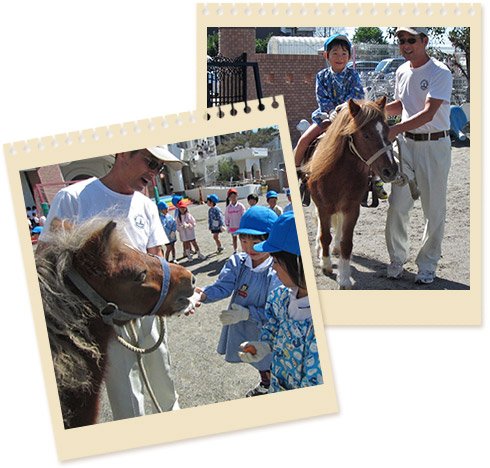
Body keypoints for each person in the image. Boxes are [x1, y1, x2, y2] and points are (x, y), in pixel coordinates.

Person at [38, 146, 185, 420]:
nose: (154, 173)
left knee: (163, 379)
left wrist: (174, 294)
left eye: (160, 168)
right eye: (150, 162)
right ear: (123, 153)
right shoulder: (73, 198)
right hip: (105, 316)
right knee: (126, 396)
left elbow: (156, 256)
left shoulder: (147, 204)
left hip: (146, 309)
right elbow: (46, 260)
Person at [384, 27, 453, 284]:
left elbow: (428, 113)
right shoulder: (402, 71)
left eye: (411, 40)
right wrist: (370, 112)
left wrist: (395, 129)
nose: (405, 45)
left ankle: (427, 264)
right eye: (401, 40)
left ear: (425, 40)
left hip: (434, 146)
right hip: (405, 146)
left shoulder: (440, 72)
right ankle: (397, 258)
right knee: (397, 205)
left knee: (433, 209)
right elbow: (400, 105)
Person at [198, 206, 282, 397]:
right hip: (244, 325)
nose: (248, 247)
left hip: (266, 326)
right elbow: (223, 286)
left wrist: (247, 313)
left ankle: (274, 388)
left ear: (271, 239)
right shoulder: (238, 262)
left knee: (271, 359)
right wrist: (202, 294)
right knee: (254, 358)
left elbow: (276, 312)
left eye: (256, 241)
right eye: (243, 240)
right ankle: (265, 383)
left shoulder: (277, 269)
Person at [293, 33, 387, 199]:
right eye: (335, 53)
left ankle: (375, 178)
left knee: (371, 141)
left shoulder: (353, 75)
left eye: (344, 54)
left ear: (349, 57)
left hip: (350, 118)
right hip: (326, 117)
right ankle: (299, 176)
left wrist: (344, 113)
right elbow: (322, 99)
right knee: (303, 141)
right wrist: (333, 115)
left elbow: (356, 97)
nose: (340, 57)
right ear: (326, 55)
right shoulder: (321, 76)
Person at [239, 211, 323, 392]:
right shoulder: (279, 298)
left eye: (276, 261)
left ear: (299, 264)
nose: (273, 266)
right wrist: (264, 345)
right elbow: (272, 327)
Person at [224, 188, 245, 254]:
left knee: (242, 238)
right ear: (229, 198)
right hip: (233, 225)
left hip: (240, 225)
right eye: (231, 197)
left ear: (237, 196)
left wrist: (244, 223)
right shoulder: (228, 207)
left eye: (234, 196)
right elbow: (226, 216)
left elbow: (243, 214)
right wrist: (227, 223)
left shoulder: (240, 206)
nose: (233, 198)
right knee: (234, 238)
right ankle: (235, 250)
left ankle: (243, 249)